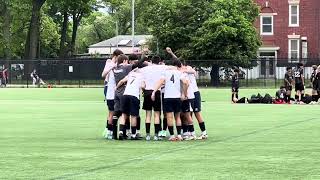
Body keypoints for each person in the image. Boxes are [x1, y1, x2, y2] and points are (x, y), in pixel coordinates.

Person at [151, 60, 189, 141]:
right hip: (177, 97)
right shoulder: (179, 73)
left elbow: (160, 82)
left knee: (169, 116)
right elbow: (185, 83)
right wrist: (184, 93)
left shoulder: (165, 72)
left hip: (168, 97)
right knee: (177, 116)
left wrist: (154, 92)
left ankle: (172, 135)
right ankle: (179, 135)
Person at [140, 55, 166, 140]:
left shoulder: (145, 69)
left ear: (151, 61)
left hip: (147, 92)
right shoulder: (161, 68)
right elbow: (172, 67)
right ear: (159, 62)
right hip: (156, 92)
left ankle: (147, 135)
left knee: (148, 115)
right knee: (157, 115)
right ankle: (156, 135)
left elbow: (142, 84)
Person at [116, 69, 145, 140]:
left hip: (125, 95)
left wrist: (116, 88)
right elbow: (143, 86)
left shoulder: (130, 74)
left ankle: (121, 132)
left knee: (124, 115)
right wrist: (144, 90)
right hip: (134, 96)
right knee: (133, 116)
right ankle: (133, 135)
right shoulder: (142, 76)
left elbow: (122, 81)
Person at [101, 49, 122, 139]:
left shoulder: (117, 65)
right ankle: (109, 131)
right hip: (112, 93)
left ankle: (108, 130)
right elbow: (103, 75)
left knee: (112, 113)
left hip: (114, 92)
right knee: (112, 113)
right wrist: (111, 67)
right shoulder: (111, 64)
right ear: (116, 56)